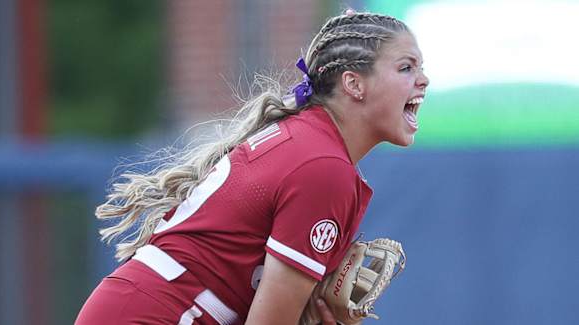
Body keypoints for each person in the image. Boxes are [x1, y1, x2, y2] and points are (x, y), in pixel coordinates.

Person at [76, 9, 429, 325]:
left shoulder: (311, 143)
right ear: (354, 83)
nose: (423, 80)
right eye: (406, 67)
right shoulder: (324, 167)